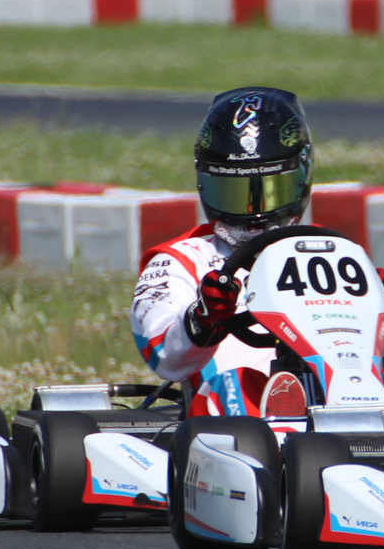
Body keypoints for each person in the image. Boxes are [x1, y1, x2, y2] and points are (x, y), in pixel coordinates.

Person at [130, 86, 320, 418]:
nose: (254, 212)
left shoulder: (328, 250)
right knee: (240, 383)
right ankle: (281, 410)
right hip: (229, 414)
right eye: (235, 192)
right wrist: (203, 319)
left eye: (270, 192)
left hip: (327, 396)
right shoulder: (181, 260)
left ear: (301, 175)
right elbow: (163, 354)